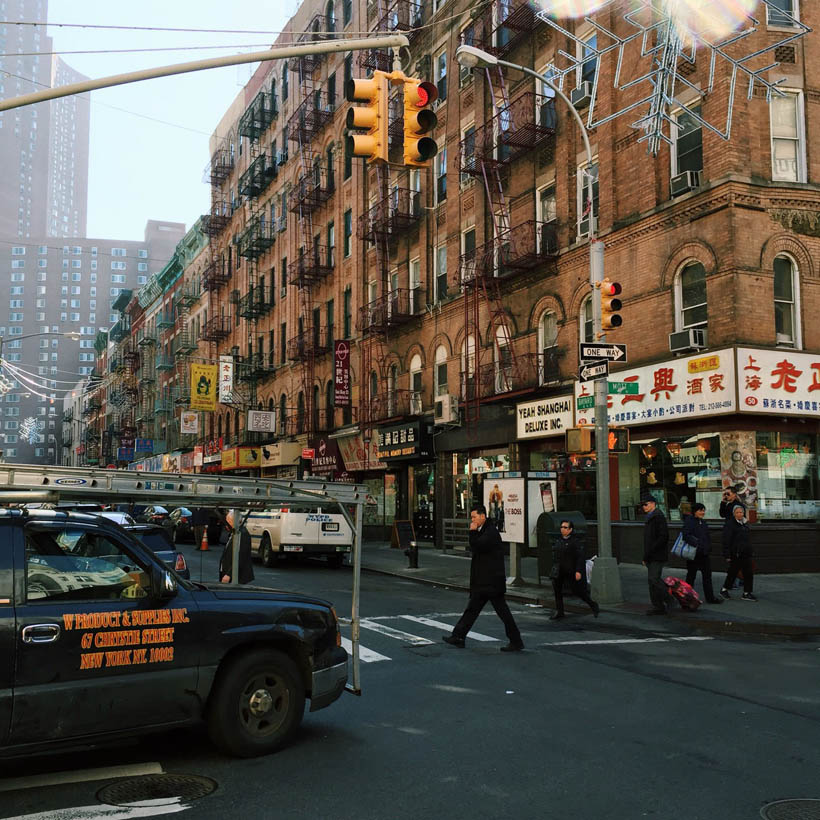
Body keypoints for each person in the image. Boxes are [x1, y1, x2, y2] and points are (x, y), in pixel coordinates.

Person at [443, 504, 524, 652]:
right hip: (485, 582)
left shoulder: (490, 532)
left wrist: (472, 532)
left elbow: (476, 546)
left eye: (474, 517)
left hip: (490, 582)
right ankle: (458, 636)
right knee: (472, 610)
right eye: (471, 517)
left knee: (502, 613)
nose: (472, 520)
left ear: (482, 516)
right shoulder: (485, 530)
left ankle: (516, 640)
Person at [549, 520, 599, 620]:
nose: (562, 529)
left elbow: (580, 557)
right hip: (560, 570)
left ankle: (593, 605)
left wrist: (578, 571)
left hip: (571, 570)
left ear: (570, 529)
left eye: (565, 527)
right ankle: (560, 611)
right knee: (557, 590)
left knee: (578, 591)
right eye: (561, 527)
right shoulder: (559, 540)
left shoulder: (575, 542)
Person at [682, 502, 722, 604]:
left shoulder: (703, 522)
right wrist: (697, 544)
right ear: (695, 511)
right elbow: (686, 535)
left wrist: (708, 547)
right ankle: (687, 597)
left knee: (707, 576)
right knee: (691, 576)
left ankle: (710, 598)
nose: (703, 512)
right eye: (700, 510)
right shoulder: (689, 521)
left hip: (704, 554)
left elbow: (707, 536)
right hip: (694, 554)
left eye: (703, 510)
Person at [641, 493, 669, 615]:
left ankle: (669, 598)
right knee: (652, 581)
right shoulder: (650, 518)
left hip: (657, 554)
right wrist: (646, 555)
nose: (644, 507)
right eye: (642, 505)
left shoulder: (658, 517)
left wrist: (651, 551)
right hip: (651, 554)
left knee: (654, 579)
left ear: (653, 504)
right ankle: (658, 606)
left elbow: (663, 537)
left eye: (646, 504)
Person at [721, 504, 756, 600]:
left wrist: (750, 550)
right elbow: (726, 540)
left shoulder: (745, 524)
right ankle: (724, 589)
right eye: (737, 512)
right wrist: (727, 554)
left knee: (748, 573)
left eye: (741, 512)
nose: (740, 514)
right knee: (733, 572)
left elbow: (747, 539)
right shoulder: (730, 524)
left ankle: (747, 592)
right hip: (735, 553)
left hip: (746, 553)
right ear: (734, 514)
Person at [219, 510, 255, 585]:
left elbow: (241, 556)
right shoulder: (235, 532)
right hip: (228, 574)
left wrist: (229, 574)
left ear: (234, 521)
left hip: (237, 577)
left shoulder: (243, 534)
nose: (226, 525)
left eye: (228, 521)